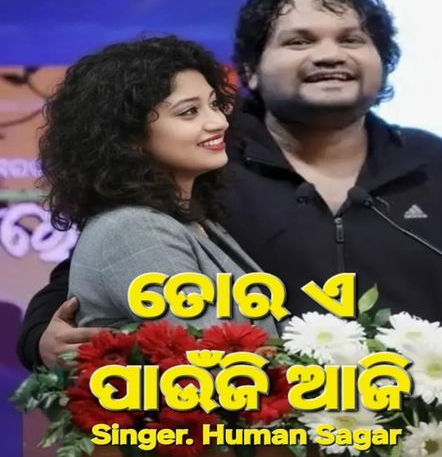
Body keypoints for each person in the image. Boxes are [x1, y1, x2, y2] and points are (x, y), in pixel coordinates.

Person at [17, 0, 442, 371]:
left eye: (351, 39)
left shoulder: (437, 165)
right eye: (299, 41)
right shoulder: (204, 161)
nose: (330, 54)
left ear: (383, 60)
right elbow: (96, 271)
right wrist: (40, 338)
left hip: (422, 424)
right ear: (249, 69)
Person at [23, 35, 278, 365]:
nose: (219, 122)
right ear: (128, 137)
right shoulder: (134, 229)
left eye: (215, 104)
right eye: (189, 112)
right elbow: (214, 363)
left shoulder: (189, 218)